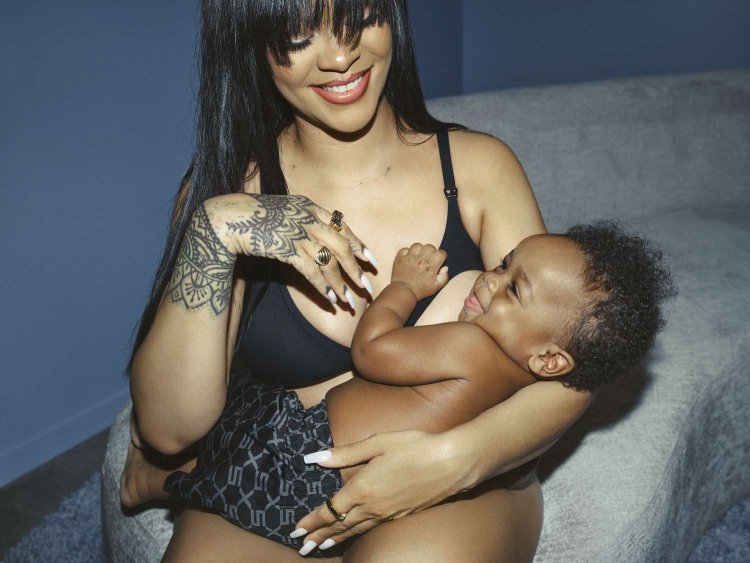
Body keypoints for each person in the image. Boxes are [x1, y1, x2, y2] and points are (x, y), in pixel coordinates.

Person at [123, 1, 599, 560]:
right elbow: (167, 430)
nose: (340, 57)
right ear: (251, 45)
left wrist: (451, 461)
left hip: (464, 480)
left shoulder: (479, 167)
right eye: (298, 36)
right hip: (286, 473)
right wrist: (214, 230)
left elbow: (574, 365)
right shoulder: (230, 193)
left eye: (360, 17)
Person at [155, 223, 675, 557]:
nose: (489, 280)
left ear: (550, 359)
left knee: (235, 432)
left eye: (514, 289)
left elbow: (373, 351)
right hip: (349, 490)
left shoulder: (471, 346)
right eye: (503, 263)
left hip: (306, 452)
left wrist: (403, 287)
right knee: (237, 490)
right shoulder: (522, 380)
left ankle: (155, 481)